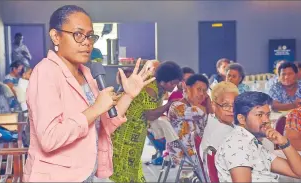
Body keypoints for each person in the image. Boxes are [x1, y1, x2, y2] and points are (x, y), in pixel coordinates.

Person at [22, 5, 154, 182]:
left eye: (90, 36)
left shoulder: (86, 73)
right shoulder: (46, 72)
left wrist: (128, 96)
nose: (87, 42)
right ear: (56, 36)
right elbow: (49, 138)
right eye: (78, 34)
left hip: (84, 175)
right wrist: (95, 108)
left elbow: (102, 125)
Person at [110, 61, 183, 183]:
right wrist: (169, 104)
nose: (174, 87)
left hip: (136, 129)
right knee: (125, 164)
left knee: (132, 163)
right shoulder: (151, 88)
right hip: (126, 129)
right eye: (173, 83)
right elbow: (150, 114)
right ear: (165, 81)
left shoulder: (160, 87)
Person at [215, 91, 301, 182]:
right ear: (242, 119)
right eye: (259, 115)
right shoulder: (238, 145)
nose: (266, 120)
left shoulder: (253, 142)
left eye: (267, 115)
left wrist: (284, 143)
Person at [166, 74, 209, 166]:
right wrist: (208, 103)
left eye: (205, 91)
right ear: (187, 88)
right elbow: (200, 113)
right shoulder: (177, 106)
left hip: (195, 152)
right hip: (184, 155)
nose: (202, 94)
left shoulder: (195, 107)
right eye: (199, 89)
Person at [200, 81, 239, 158]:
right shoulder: (225, 132)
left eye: (235, 105)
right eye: (225, 105)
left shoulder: (212, 120)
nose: (231, 110)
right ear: (213, 105)